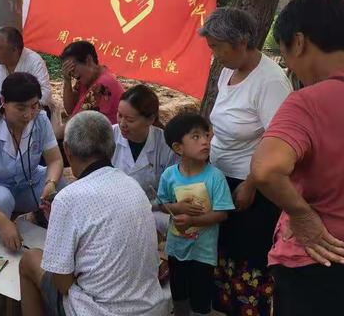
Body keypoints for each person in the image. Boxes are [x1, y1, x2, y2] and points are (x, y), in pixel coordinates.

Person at [19, 110, 167, 316]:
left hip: (98, 311)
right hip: (151, 308)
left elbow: (62, 283)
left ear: (67, 150)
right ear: (112, 148)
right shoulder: (132, 185)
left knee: (30, 259)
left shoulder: (68, 198)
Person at [251, 0, 344, 316]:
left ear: (299, 42)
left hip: (318, 261)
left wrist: (302, 215)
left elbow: (265, 169)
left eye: (285, 51)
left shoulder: (308, 102)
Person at [199, 7, 293, 316]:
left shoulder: (270, 81)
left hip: (252, 186)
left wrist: (251, 184)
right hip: (222, 178)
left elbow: (277, 142)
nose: (214, 54)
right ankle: (224, 308)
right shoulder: (229, 69)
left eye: (217, 46)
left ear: (240, 42)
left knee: (249, 256)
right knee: (224, 251)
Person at [0, 72, 64, 249]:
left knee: (63, 189)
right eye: (21, 108)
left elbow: (55, 160)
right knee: (1, 198)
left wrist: (51, 183)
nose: (28, 114)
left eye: (34, 106)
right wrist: (4, 223)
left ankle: (58, 245)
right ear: (4, 103)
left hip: (27, 186)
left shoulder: (40, 120)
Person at [158, 113, 234, 316]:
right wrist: (177, 209)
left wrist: (193, 220)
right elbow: (162, 204)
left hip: (203, 252)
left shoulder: (215, 177)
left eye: (206, 136)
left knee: (201, 303)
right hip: (176, 249)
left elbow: (222, 213)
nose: (205, 142)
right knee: (179, 297)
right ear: (178, 148)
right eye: (195, 137)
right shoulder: (169, 176)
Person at [112, 84, 176, 232]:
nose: (122, 124)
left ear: (150, 119)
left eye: (130, 119)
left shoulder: (165, 145)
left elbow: (171, 192)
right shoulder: (109, 136)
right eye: (119, 115)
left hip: (152, 211)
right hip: (113, 207)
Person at [52, 40, 124, 139]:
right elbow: (71, 109)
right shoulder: (85, 78)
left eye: (72, 68)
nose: (73, 74)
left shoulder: (102, 85)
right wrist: (67, 80)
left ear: (89, 61)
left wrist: (48, 139)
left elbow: (74, 123)